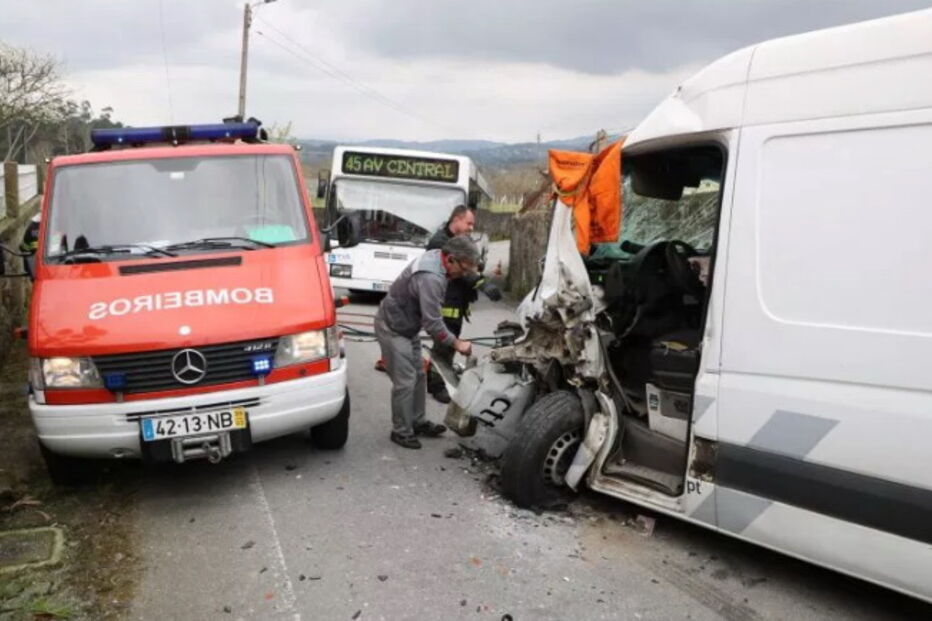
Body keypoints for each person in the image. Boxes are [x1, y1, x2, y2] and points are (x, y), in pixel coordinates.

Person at [375, 235, 479, 449]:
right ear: (450, 259)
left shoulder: (438, 258)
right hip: (393, 328)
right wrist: (457, 343)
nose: (465, 274)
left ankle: (418, 421)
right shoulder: (432, 278)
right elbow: (432, 323)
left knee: (419, 376)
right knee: (405, 381)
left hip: (407, 325)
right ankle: (401, 431)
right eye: (464, 268)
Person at [425, 205, 502, 403]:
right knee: (443, 346)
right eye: (468, 223)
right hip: (445, 303)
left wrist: (484, 270)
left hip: (457, 303)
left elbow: (473, 264)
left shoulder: (462, 240)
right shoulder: (440, 242)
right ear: (456, 219)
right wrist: (483, 284)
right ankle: (436, 385)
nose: (470, 227)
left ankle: (439, 379)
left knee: (448, 346)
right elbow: (464, 272)